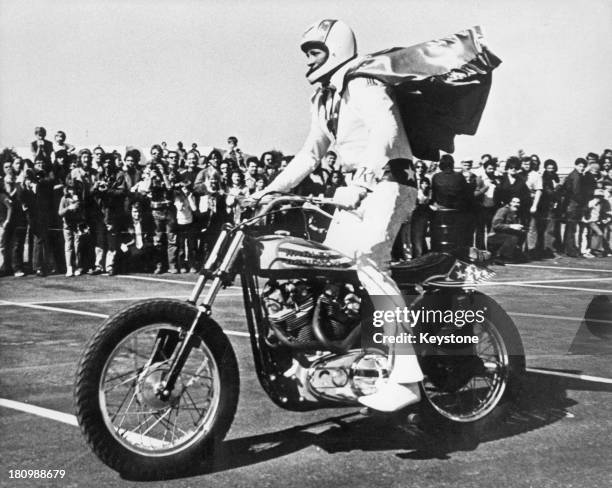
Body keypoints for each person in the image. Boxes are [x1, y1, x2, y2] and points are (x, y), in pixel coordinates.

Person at [487, 197, 527, 263]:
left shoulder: (516, 213)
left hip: (505, 237)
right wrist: (511, 226)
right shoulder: (503, 210)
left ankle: (512, 252)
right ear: (510, 203)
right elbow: (496, 225)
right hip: (494, 236)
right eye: (514, 202)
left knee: (522, 234)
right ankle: (502, 256)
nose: (516, 204)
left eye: (518, 202)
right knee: (513, 237)